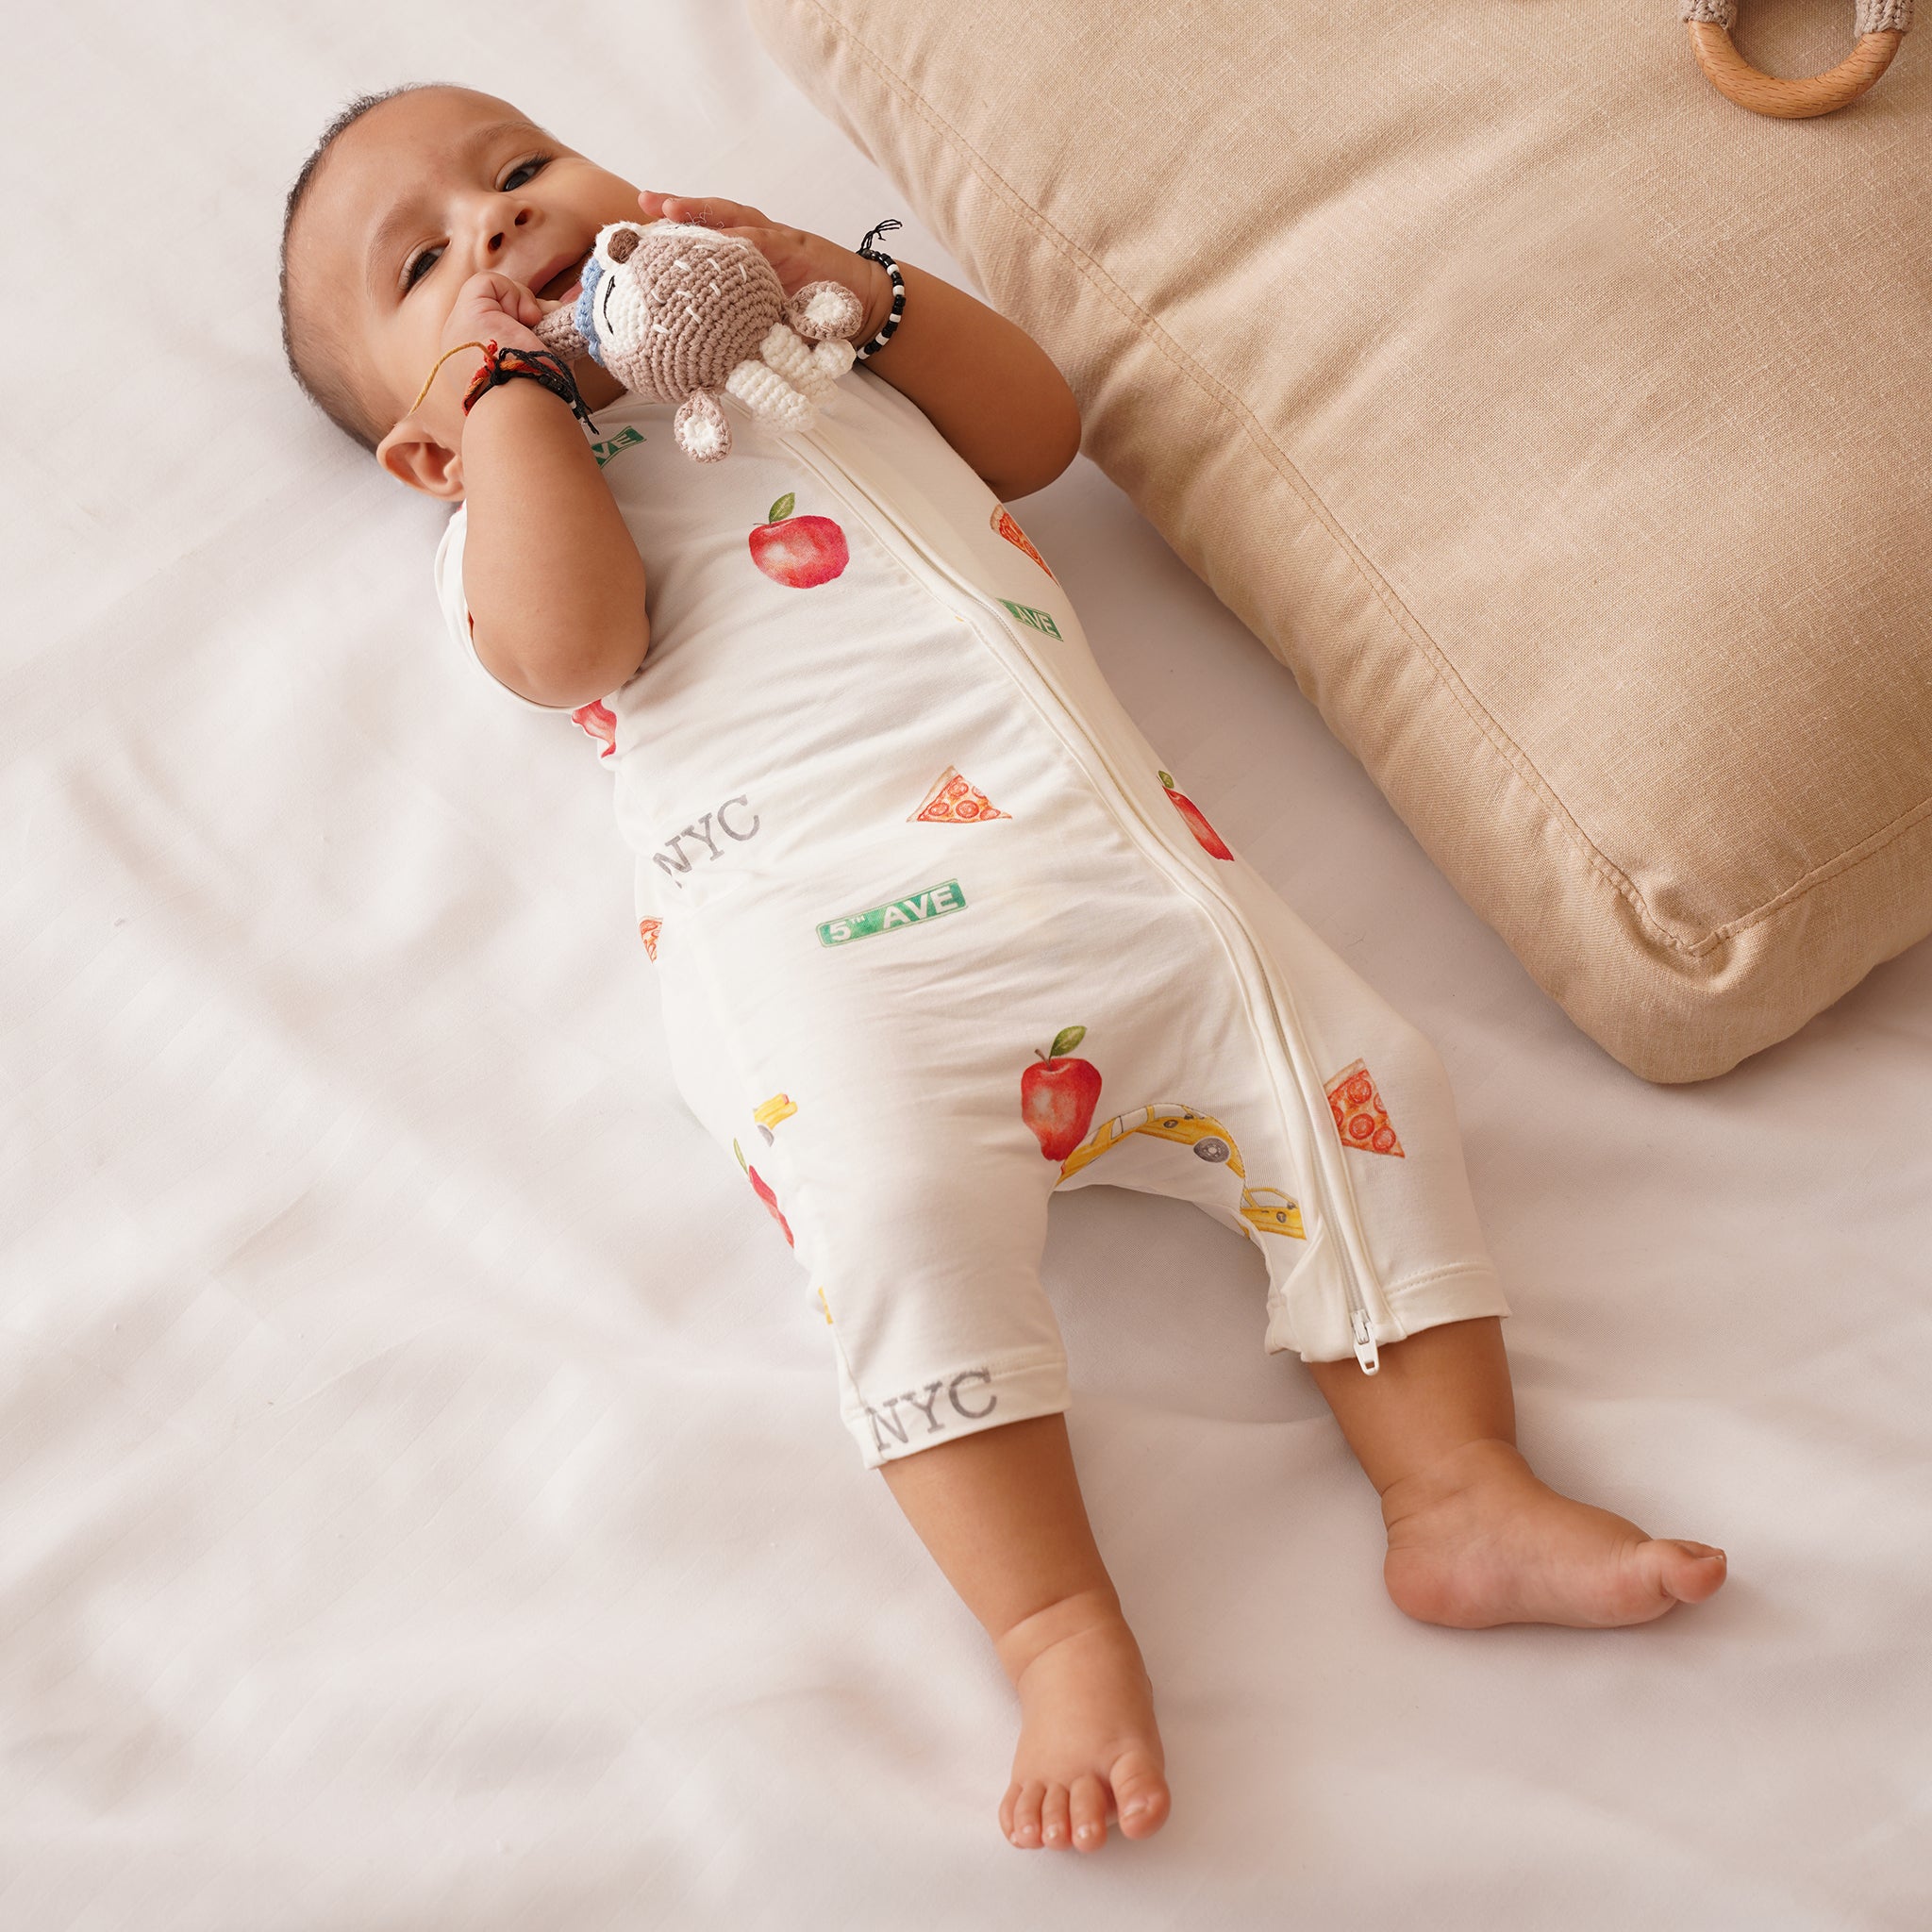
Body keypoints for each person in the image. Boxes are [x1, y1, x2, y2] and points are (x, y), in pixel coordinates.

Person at [277, 82, 1728, 1857]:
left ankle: (1462, 1490)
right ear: (417, 455)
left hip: (1124, 881)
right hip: (835, 966)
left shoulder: (806, 354)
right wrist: (509, 415)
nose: (495, 228)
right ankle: (1055, 1629)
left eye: (519, 173)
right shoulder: (495, 530)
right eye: (424, 264)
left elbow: (1035, 430)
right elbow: (578, 642)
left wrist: (828, 282)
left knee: (1366, 1077)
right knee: (894, 1225)